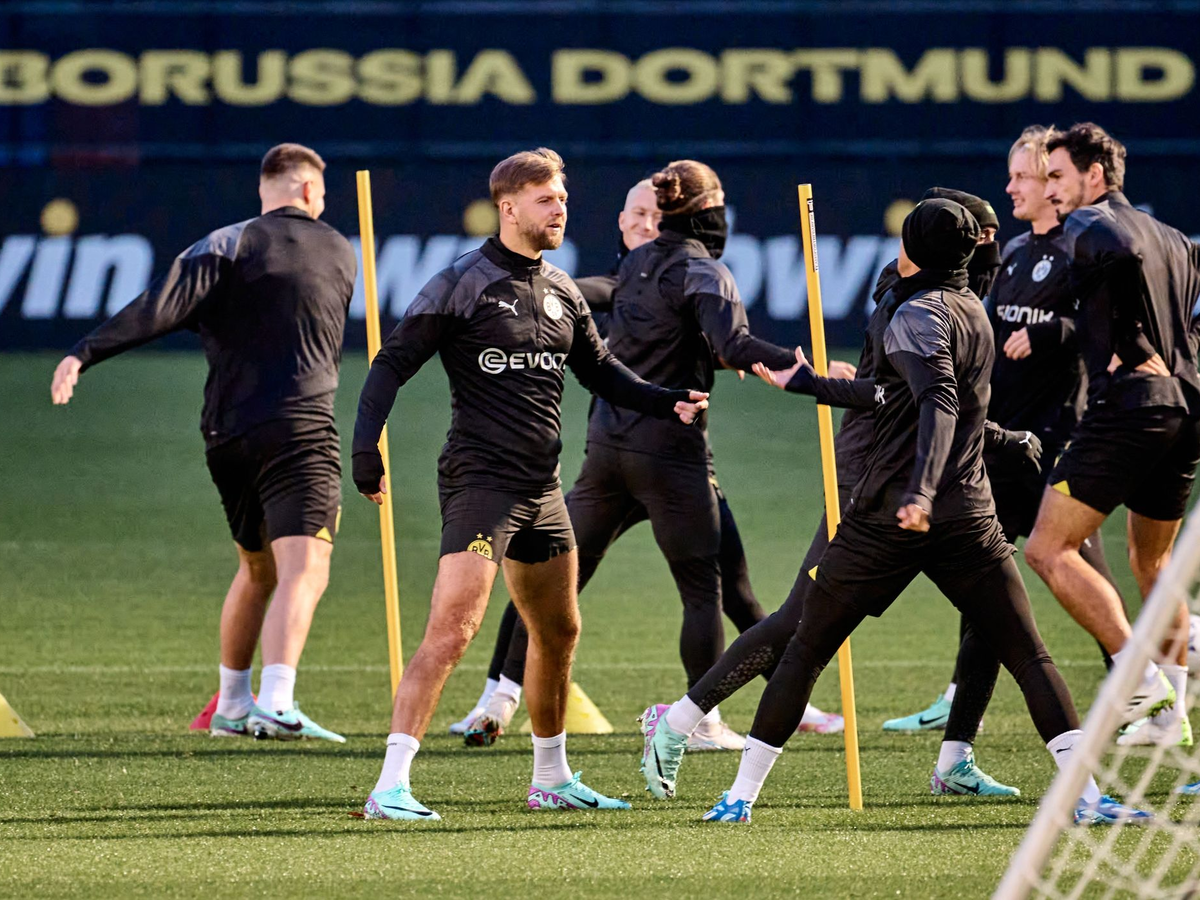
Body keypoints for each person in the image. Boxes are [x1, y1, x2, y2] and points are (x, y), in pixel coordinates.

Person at [641, 198, 1151, 826]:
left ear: (913, 248)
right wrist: (808, 384)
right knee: (1029, 655)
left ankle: (738, 797)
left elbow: (939, 403)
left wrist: (921, 492)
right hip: (968, 515)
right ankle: (1088, 798)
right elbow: (898, 395)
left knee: (804, 648)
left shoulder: (915, 313)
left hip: (889, 514)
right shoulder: (973, 310)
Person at [351, 148, 708, 820]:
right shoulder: (463, 282)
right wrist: (366, 448)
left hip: (543, 491)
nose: (559, 210)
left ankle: (551, 778)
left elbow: (600, 372)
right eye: (546, 200)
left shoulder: (562, 289)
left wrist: (667, 401)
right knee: (453, 631)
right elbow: (391, 362)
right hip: (480, 485)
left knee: (559, 631)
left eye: (563, 199)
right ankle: (390, 786)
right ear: (508, 206)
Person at [453, 174, 842, 750]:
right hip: (668, 460)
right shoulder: (646, 276)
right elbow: (720, 338)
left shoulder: (647, 276)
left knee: (723, 586)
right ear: (622, 220)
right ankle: (510, 698)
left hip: (613, 457)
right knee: (662, 585)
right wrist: (812, 374)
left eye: (654, 215)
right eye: (636, 214)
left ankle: (792, 700)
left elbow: (706, 340)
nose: (645, 223)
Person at [49, 143, 354, 742]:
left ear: (265, 191)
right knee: (306, 564)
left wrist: (84, 352)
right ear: (310, 190)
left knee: (257, 568)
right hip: (300, 428)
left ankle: (232, 708)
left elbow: (156, 308)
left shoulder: (225, 243)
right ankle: (277, 701)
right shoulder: (338, 247)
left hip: (226, 434)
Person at [884, 128, 1131, 736]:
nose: (1013, 186)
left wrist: (1051, 333)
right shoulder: (1016, 251)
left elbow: (1111, 326)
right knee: (986, 583)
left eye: (1024, 176)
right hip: (1003, 444)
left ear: (1054, 183)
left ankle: (1140, 690)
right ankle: (958, 713)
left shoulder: (1083, 246)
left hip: (1054, 443)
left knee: (1085, 576)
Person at [1024, 123, 1200, 747]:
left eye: (1057, 176)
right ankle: (1170, 716)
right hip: (1185, 408)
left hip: (1128, 407)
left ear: (1094, 175)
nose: (1050, 190)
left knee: (1047, 549)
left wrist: (1131, 342)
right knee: (1152, 563)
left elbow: (1119, 254)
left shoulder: (1090, 222)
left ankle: (1139, 678)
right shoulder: (1175, 237)